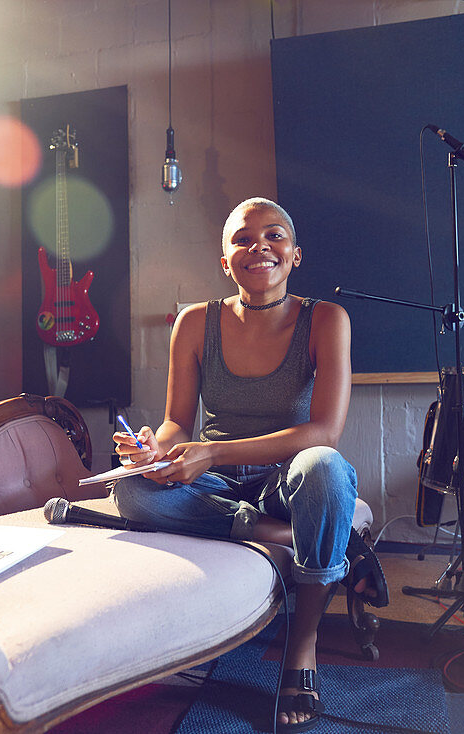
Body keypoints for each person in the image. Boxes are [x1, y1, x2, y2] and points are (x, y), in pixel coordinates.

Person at [111, 197, 388, 732]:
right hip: (215, 482)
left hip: (287, 478)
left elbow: (324, 431)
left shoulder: (326, 320)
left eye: (274, 236)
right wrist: (153, 450)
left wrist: (212, 452)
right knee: (132, 492)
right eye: (241, 239)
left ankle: (301, 645)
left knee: (326, 468)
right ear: (225, 261)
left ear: (295, 254)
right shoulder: (194, 322)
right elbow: (176, 424)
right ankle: (294, 536)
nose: (258, 246)